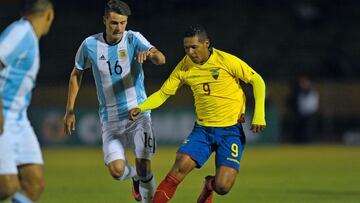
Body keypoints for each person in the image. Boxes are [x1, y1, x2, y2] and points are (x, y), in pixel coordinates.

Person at [129, 25, 266, 203]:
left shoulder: (225, 60)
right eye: (186, 48)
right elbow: (163, 93)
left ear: (206, 44)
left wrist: (259, 114)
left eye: (194, 47)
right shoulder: (184, 67)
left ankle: (209, 185)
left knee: (223, 187)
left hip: (231, 131)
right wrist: (141, 107)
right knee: (178, 169)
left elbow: (257, 80)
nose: (190, 52)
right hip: (203, 131)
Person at [63, 1, 165, 202]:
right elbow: (76, 74)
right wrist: (70, 110)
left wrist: (151, 54)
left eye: (123, 23)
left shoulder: (133, 38)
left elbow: (161, 58)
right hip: (110, 120)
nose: (119, 28)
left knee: (145, 166)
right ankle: (133, 176)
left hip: (139, 114)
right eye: (114, 23)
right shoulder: (90, 45)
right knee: (117, 171)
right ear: (105, 21)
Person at [0, 0, 55, 202]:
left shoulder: (29, 36)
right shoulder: (20, 32)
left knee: (33, 185)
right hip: (3, 116)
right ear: (49, 15)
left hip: (19, 120)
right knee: (7, 186)